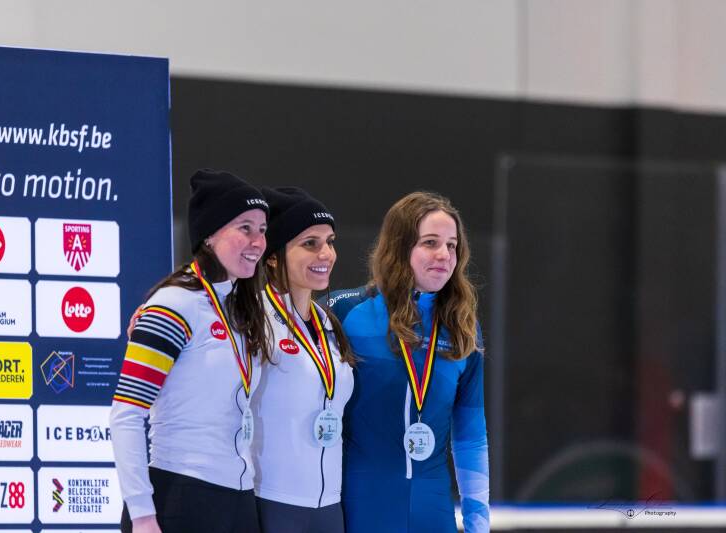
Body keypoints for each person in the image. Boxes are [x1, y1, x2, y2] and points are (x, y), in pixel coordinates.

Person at [110, 169, 271, 533]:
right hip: (182, 495)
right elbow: (126, 413)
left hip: (239, 499)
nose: (258, 241)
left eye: (262, 230)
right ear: (210, 235)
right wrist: (142, 514)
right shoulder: (172, 305)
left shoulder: (240, 308)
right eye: (244, 227)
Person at [328, 191, 490, 533]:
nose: (444, 255)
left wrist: (478, 524)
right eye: (430, 242)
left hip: (432, 509)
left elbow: (470, 435)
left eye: (452, 245)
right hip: (360, 501)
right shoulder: (344, 312)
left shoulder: (463, 326)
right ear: (400, 247)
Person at [251, 187, 355, 533]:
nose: (326, 253)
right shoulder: (252, 321)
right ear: (273, 256)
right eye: (310, 243)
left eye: (330, 241)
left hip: (329, 507)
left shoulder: (329, 324)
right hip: (272, 500)